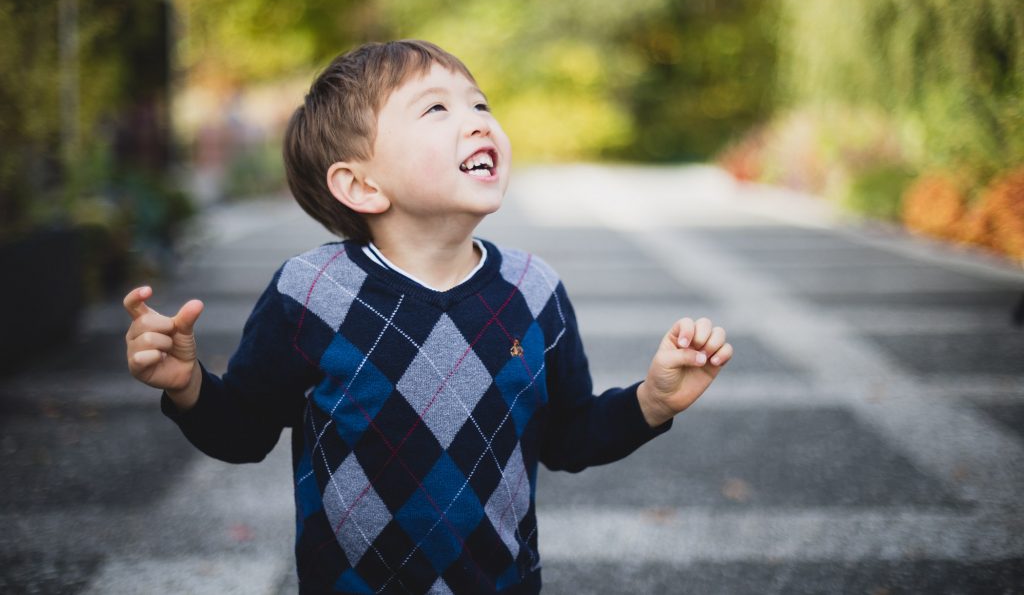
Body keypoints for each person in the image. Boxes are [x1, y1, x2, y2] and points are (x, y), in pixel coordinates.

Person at [123, 40, 733, 594]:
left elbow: (569, 437)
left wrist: (652, 400)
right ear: (361, 186)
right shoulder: (311, 294)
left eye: (480, 104)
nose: (476, 122)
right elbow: (245, 431)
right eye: (436, 110)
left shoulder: (534, 291)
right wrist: (189, 385)